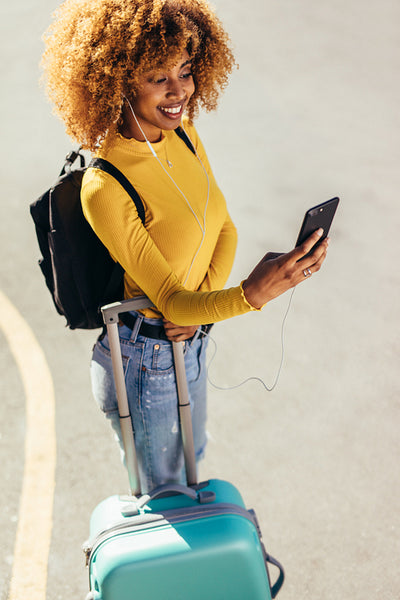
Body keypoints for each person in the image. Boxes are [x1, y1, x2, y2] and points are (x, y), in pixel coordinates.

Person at [41, 0, 329, 492]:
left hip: (189, 340)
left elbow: (225, 229)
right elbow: (171, 300)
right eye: (159, 78)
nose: (179, 91)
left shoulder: (185, 133)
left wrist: (202, 314)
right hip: (142, 358)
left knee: (193, 460)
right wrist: (250, 294)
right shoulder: (105, 186)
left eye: (186, 71)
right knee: (166, 491)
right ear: (118, 79)